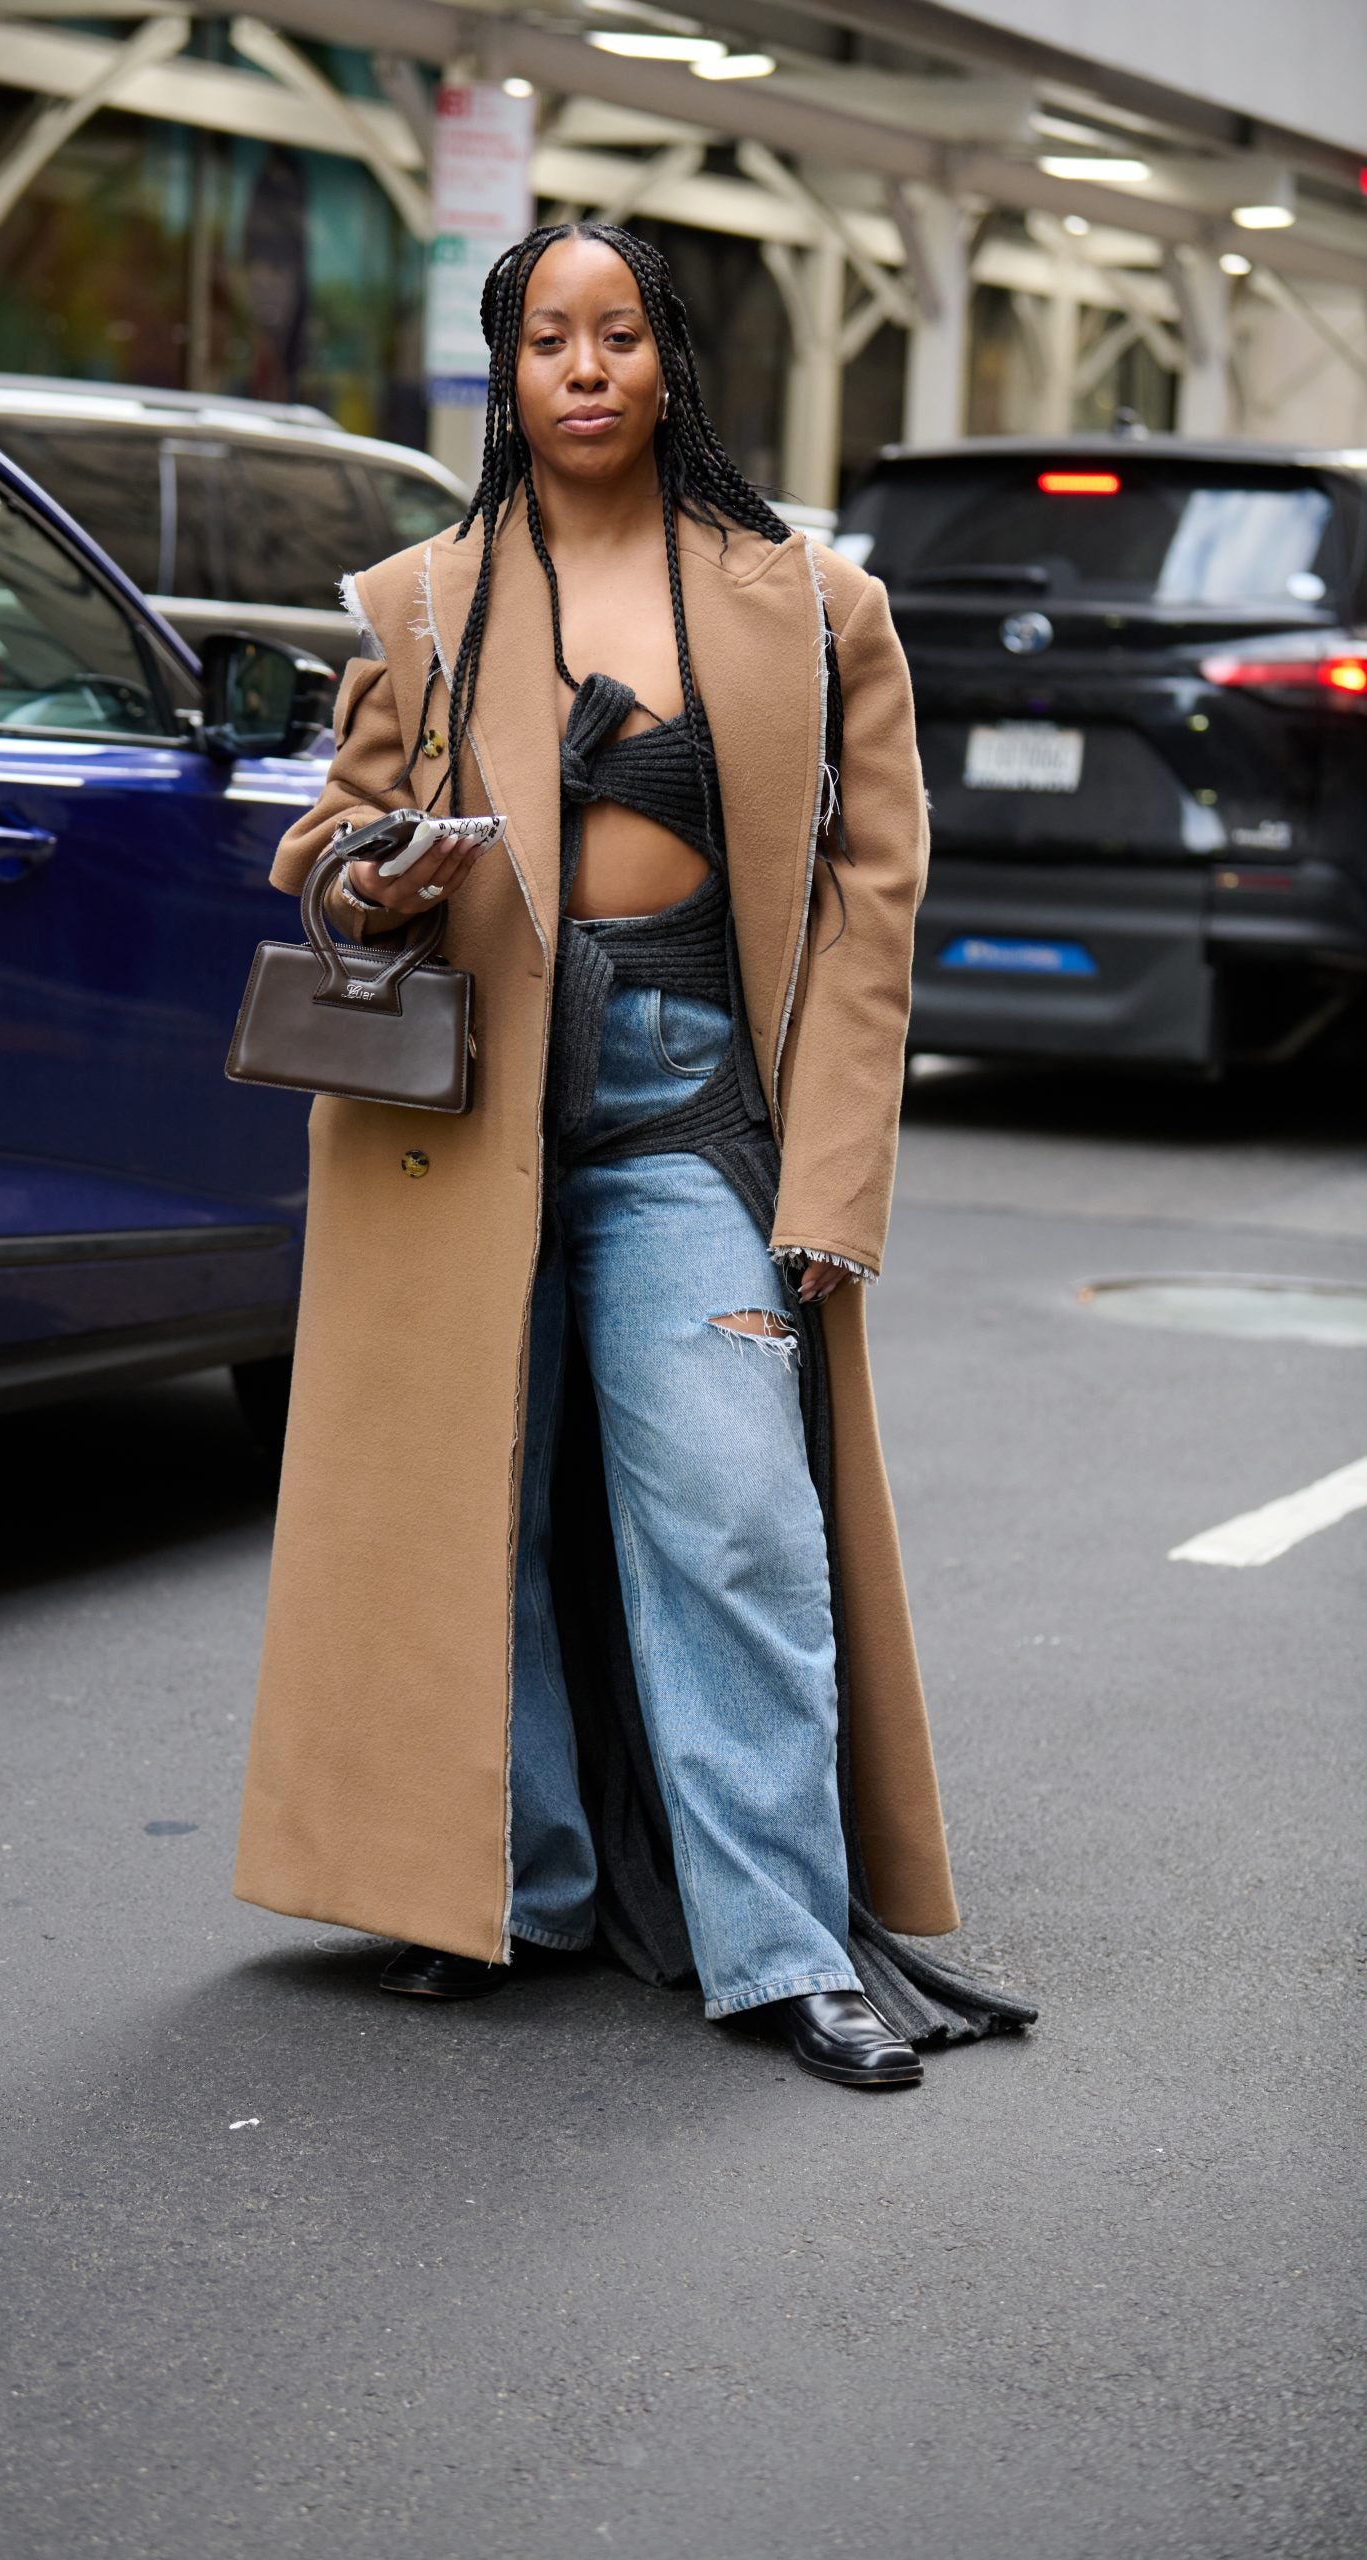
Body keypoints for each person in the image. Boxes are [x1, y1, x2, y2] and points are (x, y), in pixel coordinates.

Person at [233, 222, 1034, 2088]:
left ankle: (782, 1948)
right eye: (544, 340)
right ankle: (502, 1891)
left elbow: (872, 910)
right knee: (469, 1515)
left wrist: (831, 1187)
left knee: (737, 1518)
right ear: (507, 376)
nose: (582, 369)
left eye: (615, 335)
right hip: (459, 1113)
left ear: (668, 360)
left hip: (689, 1111)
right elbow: (329, 843)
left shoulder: (810, 605)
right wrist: (375, 873)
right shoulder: (425, 600)